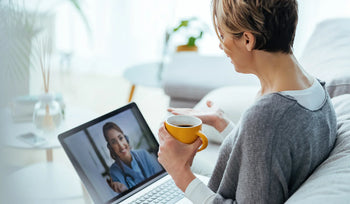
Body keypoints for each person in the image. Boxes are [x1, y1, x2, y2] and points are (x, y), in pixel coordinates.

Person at [157, 0, 337, 203]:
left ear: (248, 40)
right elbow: (268, 157)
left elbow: (268, 134)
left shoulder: (267, 118)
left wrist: (181, 174)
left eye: (223, 35)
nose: (220, 44)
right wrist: (222, 123)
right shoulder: (314, 89)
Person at [103, 122, 163, 193]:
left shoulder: (143, 154)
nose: (121, 145)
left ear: (126, 138)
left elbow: (161, 179)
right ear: (110, 148)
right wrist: (124, 191)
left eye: (121, 138)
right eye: (114, 142)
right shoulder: (114, 171)